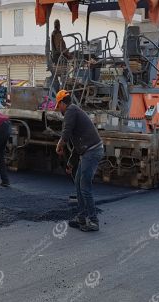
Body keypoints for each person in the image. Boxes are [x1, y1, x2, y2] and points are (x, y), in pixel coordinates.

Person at [55, 90, 103, 232]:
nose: (59, 110)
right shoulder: (74, 111)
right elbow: (77, 145)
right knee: (78, 182)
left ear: (63, 103)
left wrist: (59, 145)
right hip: (87, 151)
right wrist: (70, 163)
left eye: (59, 106)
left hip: (92, 151)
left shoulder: (71, 110)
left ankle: (93, 221)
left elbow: (66, 132)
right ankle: (81, 217)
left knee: (85, 187)